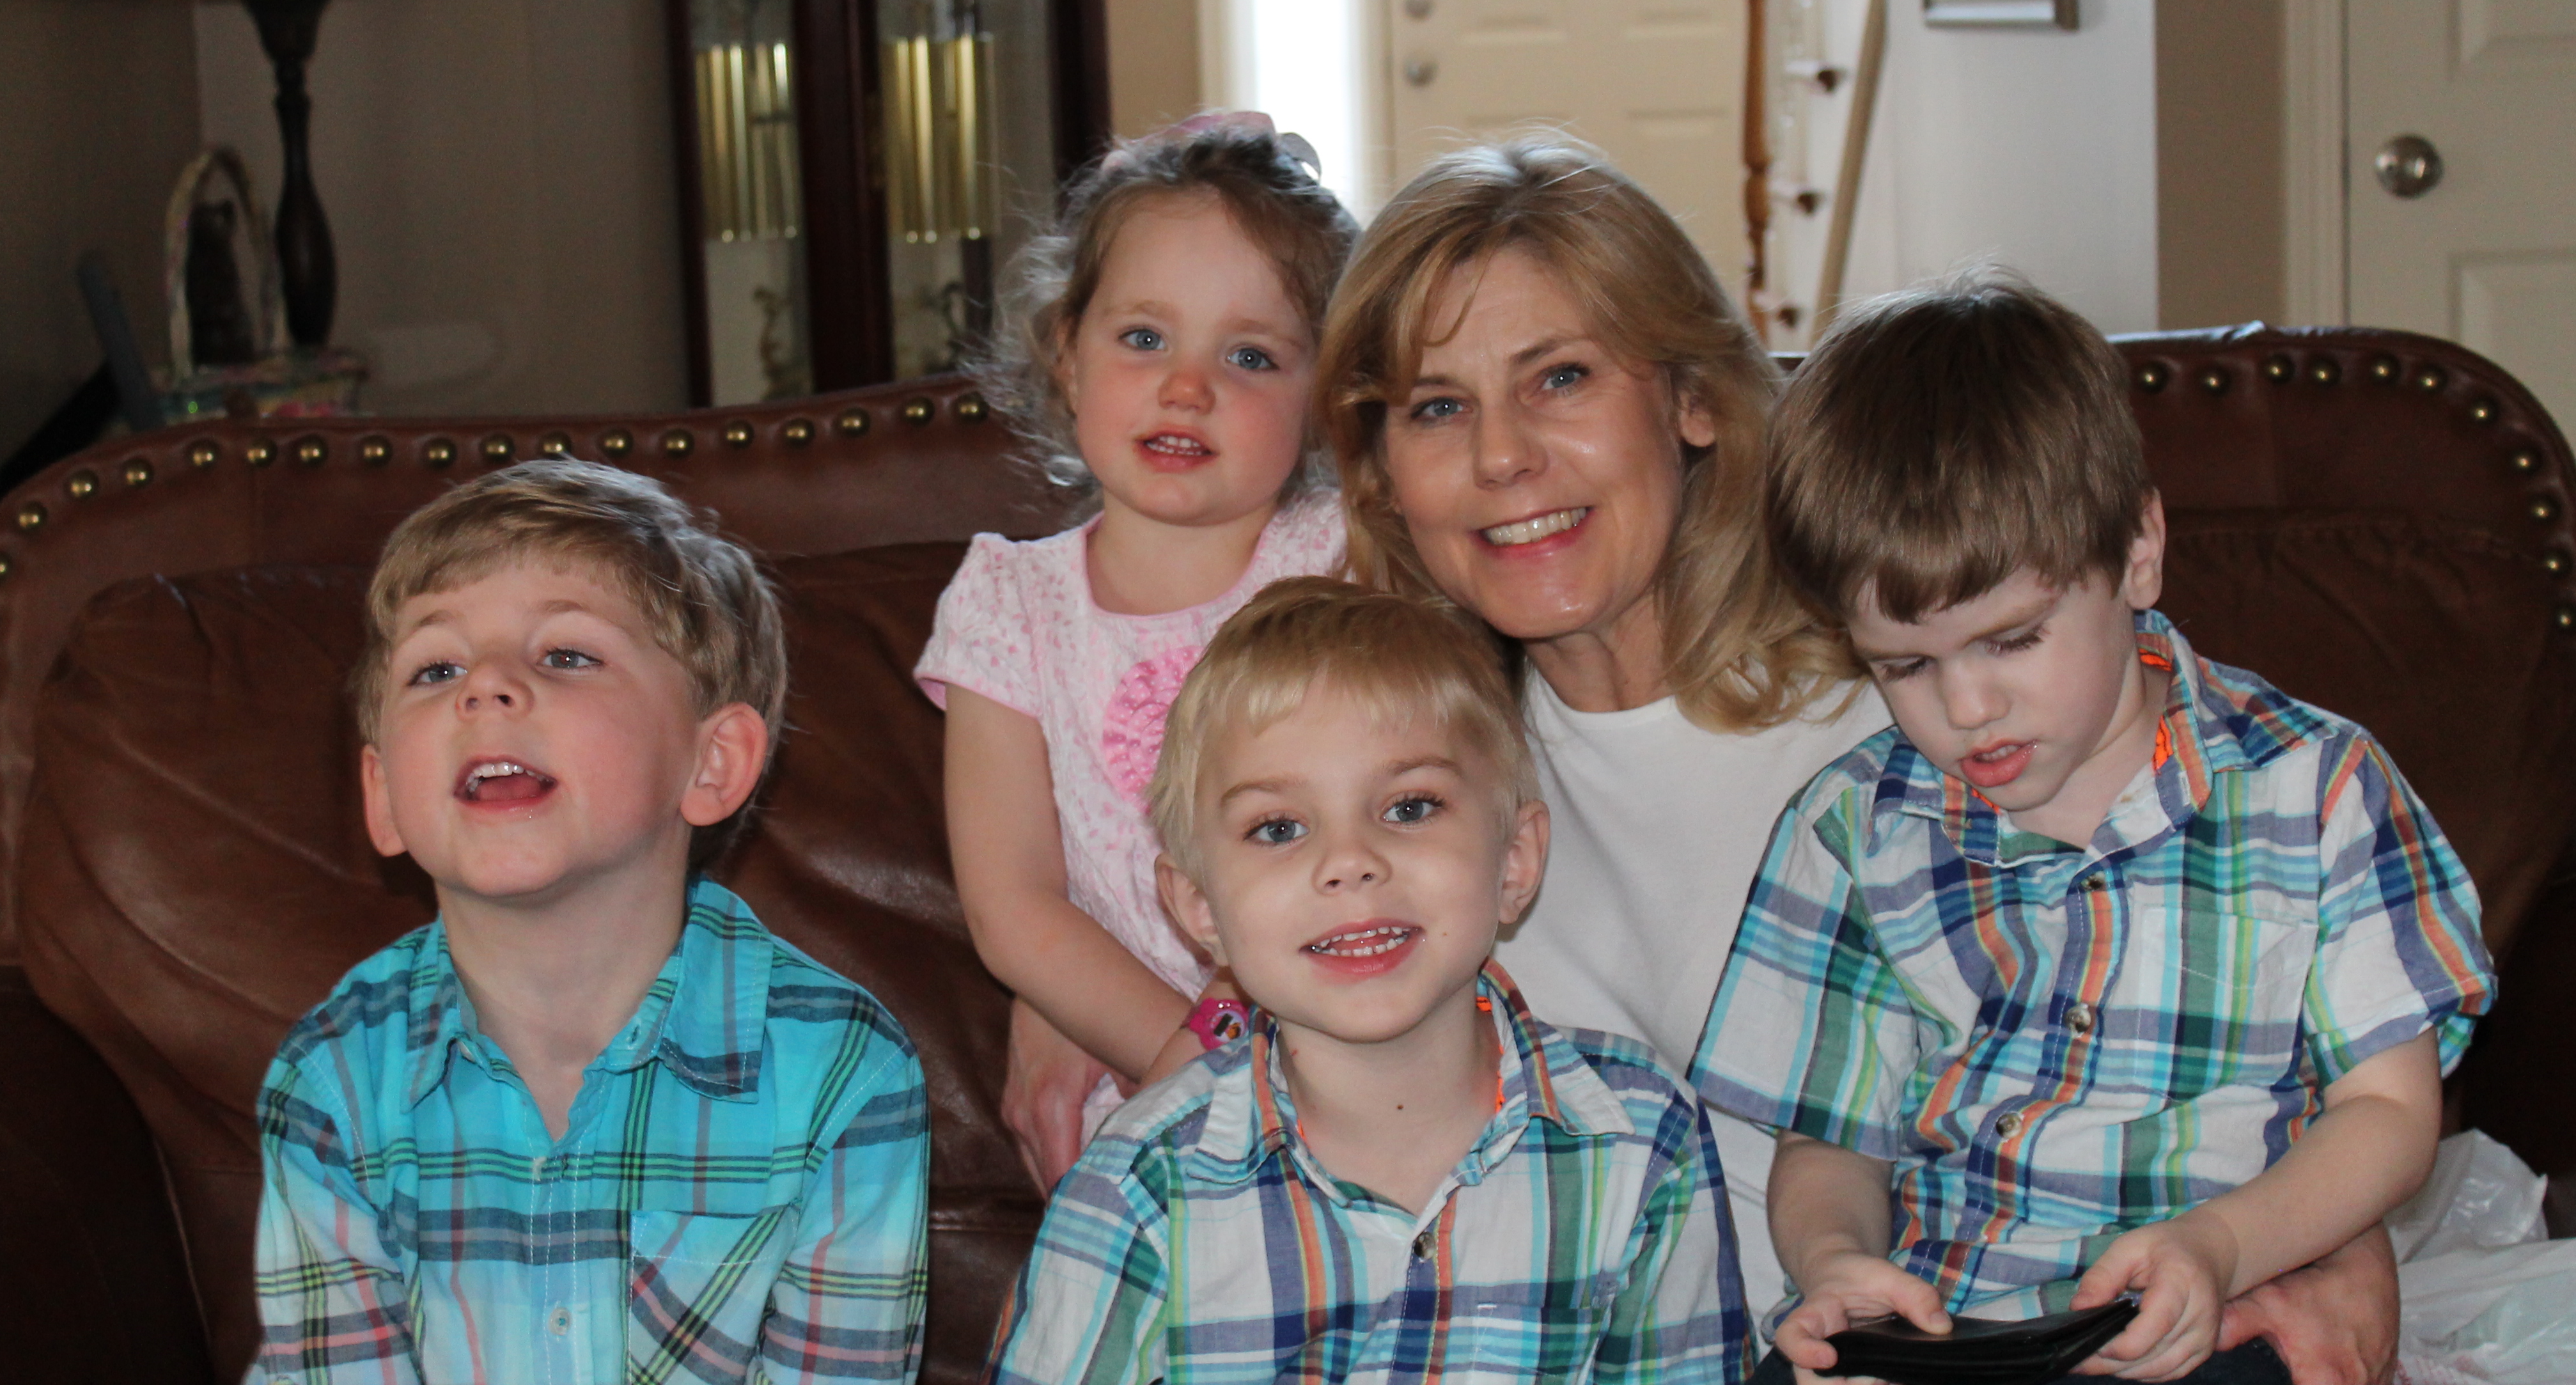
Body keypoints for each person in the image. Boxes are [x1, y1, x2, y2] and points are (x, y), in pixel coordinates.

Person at [1308, 135, 2412, 1385]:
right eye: (1436, 406)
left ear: (1693, 399)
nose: (1501, 455)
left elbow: (2269, 975)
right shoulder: (1384, 789)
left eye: (1559, 377)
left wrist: (2326, 1245)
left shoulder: (1917, 706)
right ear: (1381, 472)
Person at [1688, 271, 2494, 1385]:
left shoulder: (2317, 789)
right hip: (1945, 1323)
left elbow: (2388, 1114)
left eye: (2013, 639)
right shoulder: (1852, 827)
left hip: (2214, 1308)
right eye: (1905, 666)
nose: (1967, 707)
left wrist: (2222, 1245)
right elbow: (1829, 1139)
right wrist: (1837, 1262)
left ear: (2138, 550)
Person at [247, 461, 930, 1384]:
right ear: (384, 796)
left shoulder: (844, 1072)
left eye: (565, 655)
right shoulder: (332, 1079)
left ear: (712, 762)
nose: (485, 687)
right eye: (437, 668)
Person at [988, 578, 1754, 1385]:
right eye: (1278, 827)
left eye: (1409, 807)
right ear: (1200, 907)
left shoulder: (1640, 1136)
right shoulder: (1139, 1184)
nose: (1349, 860)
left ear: (1514, 860)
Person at [917, 116, 1357, 1186]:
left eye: (1250, 356)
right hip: (1144, 1074)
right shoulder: (1009, 606)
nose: (1188, 387)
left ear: (1322, 399)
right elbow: (1015, 907)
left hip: (1358, 1039)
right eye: (1144, 338)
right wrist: (1197, 1071)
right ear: (1068, 356)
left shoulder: (1343, 559)